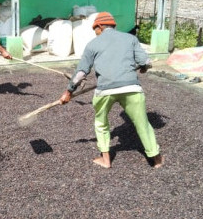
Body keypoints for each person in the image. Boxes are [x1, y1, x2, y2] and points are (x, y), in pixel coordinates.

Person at [59, 12, 163, 169]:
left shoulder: (93, 44)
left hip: (105, 90)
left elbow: (81, 72)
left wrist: (68, 92)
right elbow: (145, 62)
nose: (95, 33)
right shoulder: (130, 39)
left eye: (95, 29)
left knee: (101, 123)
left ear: (100, 26)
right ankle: (157, 160)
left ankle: (106, 160)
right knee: (142, 123)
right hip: (131, 87)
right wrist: (143, 68)